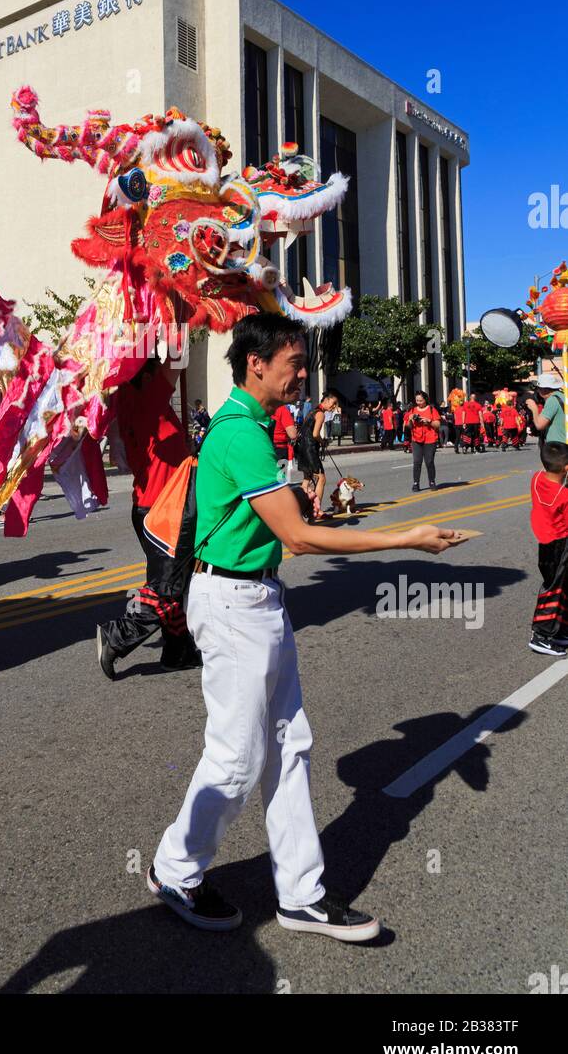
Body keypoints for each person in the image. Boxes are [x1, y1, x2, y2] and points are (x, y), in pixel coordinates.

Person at [147, 312, 463, 937]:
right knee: (237, 758)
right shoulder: (240, 433)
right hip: (235, 605)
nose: (304, 375)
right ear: (256, 364)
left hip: (258, 600)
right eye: (294, 364)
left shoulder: (257, 426)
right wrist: (407, 538)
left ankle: (302, 896)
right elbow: (297, 537)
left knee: (289, 748)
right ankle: (175, 869)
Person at [97, 358, 199, 678]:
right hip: (164, 509)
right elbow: (179, 360)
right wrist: (181, 316)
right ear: (148, 375)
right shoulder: (147, 399)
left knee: (175, 582)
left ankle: (177, 649)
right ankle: (116, 636)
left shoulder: (127, 399)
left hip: (152, 506)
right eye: (157, 368)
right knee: (167, 587)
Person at [527, 439, 568, 656]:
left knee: (559, 588)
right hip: (560, 546)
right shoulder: (563, 496)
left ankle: (558, 630)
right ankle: (541, 635)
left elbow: (546, 471)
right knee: (554, 590)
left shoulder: (536, 480)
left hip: (545, 545)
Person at [296, 390, 337, 517]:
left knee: (307, 479)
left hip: (302, 449)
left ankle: (300, 507)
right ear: (326, 400)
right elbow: (315, 434)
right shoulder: (320, 414)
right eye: (333, 403)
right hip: (310, 450)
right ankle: (316, 510)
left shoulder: (312, 411)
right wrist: (323, 441)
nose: (334, 406)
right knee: (321, 478)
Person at [405, 390, 441, 491]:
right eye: (417, 400)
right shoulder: (412, 410)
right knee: (417, 461)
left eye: (420, 400)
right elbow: (409, 426)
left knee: (429, 461)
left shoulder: (431, 409)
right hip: (416, 439)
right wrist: (411, 420)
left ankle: (432, 481)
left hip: (430, 439)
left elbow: (437, 424)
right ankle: (416, 483)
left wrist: (428, 421)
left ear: (425, 400)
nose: (419, 402)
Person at [524, 374, 566, 453]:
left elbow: (540, 425)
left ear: (544, 390)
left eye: (538, 388)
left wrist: (534, 408)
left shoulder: (552, 400)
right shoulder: (562, 396)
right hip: (564, 442)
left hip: (557, 447)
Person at [272, 399, 298, 476]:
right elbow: (292, 434)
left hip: (264, 446)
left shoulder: (261, 407)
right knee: (280, 480)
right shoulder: (281, 409)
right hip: (280, 449)